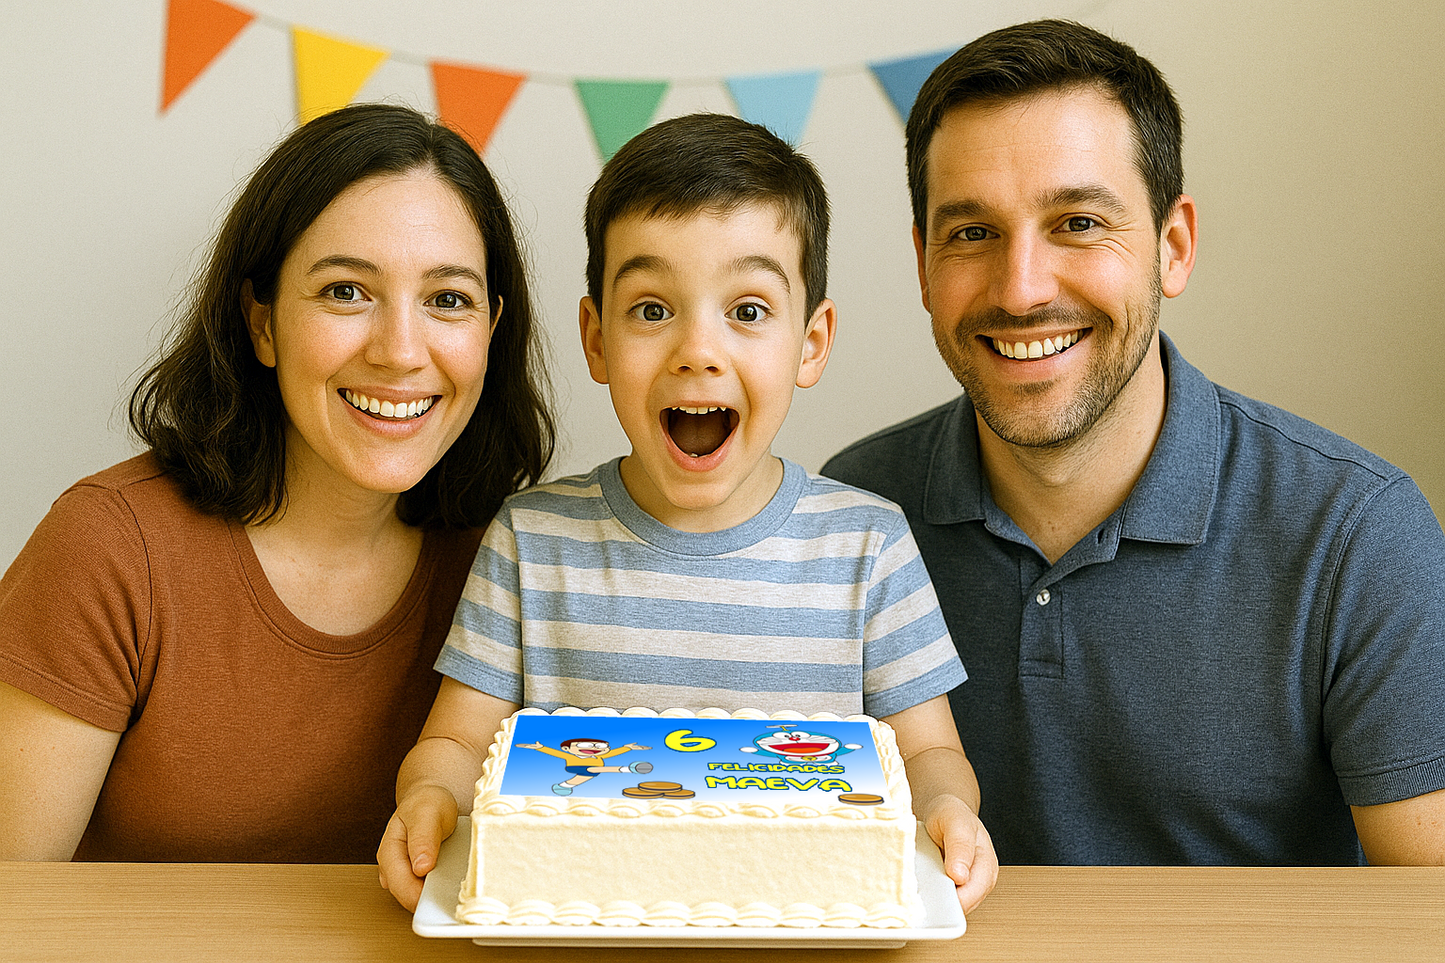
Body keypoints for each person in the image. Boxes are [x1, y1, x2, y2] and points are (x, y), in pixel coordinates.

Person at [823, 19, 1445, 866]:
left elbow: (1426, 911)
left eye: (1078, 222)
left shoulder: (1357, 535)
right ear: (923, 265)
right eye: (970, 233)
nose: (1021, 289)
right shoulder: (853, 515)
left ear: (1172, 247)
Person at [377, 113, 998, 913]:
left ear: (811, 342)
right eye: (650, 309)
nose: (697, 351)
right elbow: (457, 740)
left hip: (814, 923)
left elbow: (929, 754)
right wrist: (429, 795)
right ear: (595, 339)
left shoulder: (868, 546)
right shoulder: (531, 541)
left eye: (747, 310)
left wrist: (948, 808)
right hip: (574, 920)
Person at [0, 104, 555, 862]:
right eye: (345, 291)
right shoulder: (109, 549)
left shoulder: (518, 561)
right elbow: (13, 902)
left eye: (447, 300)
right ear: (262, 323)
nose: (400, 351)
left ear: (490, 330)